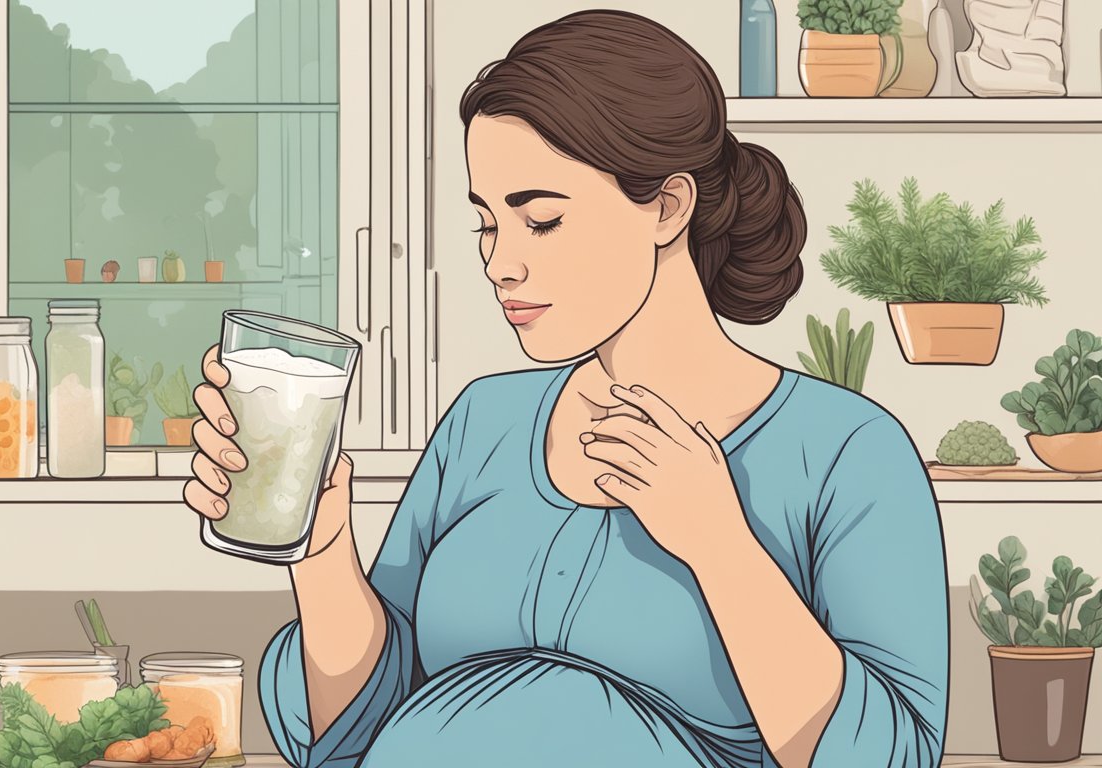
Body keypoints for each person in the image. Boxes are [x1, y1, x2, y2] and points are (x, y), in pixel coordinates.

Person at [184, 9, 949, 767]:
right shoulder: (485, 421)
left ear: (668, 207)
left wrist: (719, 545)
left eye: (540, 221)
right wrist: (319, 555)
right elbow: (358, 731)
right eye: (486, 225)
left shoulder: (848, 451)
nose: (500, 264)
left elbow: (890, 757)